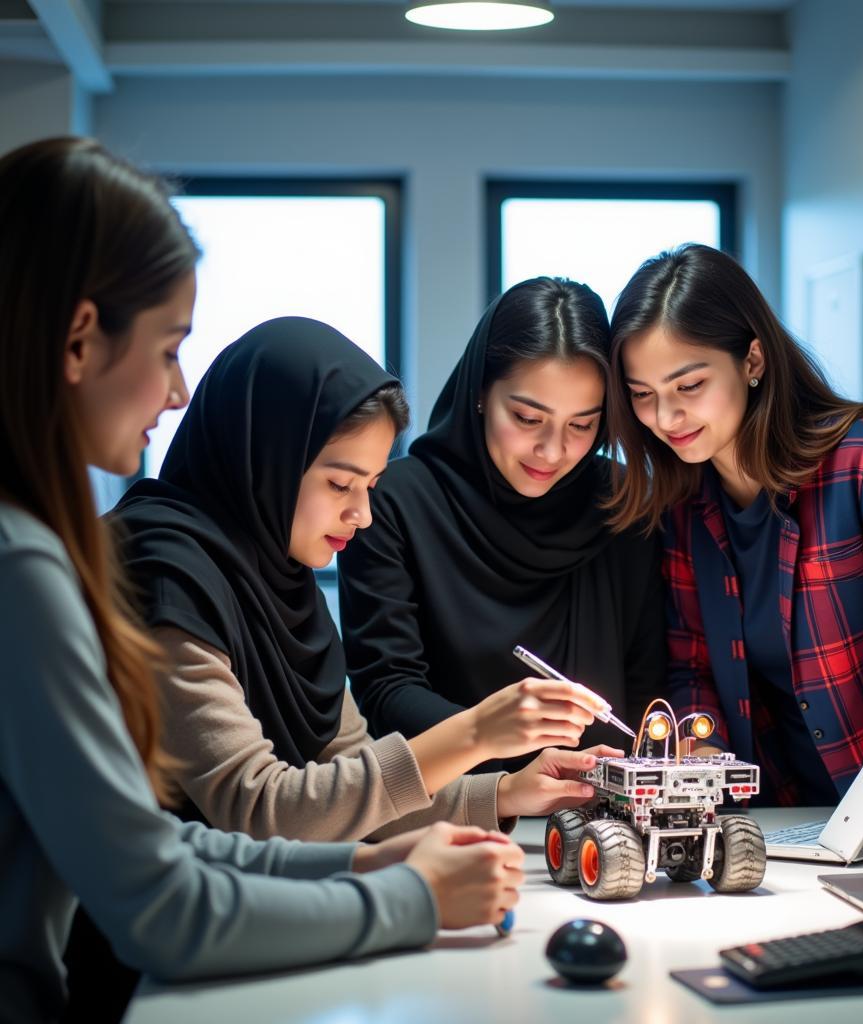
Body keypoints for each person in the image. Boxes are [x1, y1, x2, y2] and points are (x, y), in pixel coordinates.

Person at [0, 136, 522, 1024]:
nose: (175, 392)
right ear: (81, 339)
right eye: (168, 348)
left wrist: (377, 858)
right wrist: (412, 898)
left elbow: (167, 842)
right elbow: (172, 889)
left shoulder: (74, 549)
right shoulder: (54, 565)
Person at [112, 315, 614, 842]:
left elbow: (351, 780)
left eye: (371, 485)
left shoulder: (277, 577)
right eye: (339, 484)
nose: (363, 514)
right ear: (266, 460)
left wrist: (506, 791)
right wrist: (477, 733)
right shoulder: (164, 576)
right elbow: (260, 805)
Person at [603, 242, 863, 839]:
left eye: (690, 385)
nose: (666, 418)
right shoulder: (681, 504)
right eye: (642, 395)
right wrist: (703, 758)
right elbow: (692, 667)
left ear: (752, 360)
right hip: (800, 818)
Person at [338, 277, 668, 770]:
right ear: (479, 394)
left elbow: (650, 690)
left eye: (582, 425)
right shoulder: (393, 502)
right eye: (527, 417)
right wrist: (504, 763)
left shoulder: (626, 502)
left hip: (603, 811)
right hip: (451, 809)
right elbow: (386, 693)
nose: (553, 451)